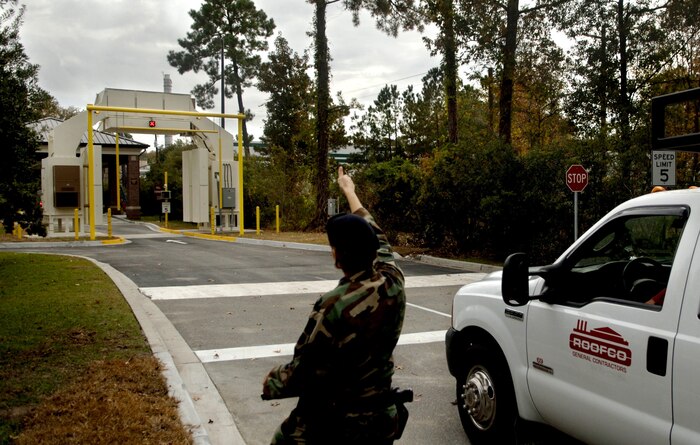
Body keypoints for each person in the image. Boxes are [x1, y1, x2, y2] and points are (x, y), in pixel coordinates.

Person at [261, 166, 407, 444]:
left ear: (337, 256)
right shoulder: (393, 284)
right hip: (382, 420)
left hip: (338, 423)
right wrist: (350, 192)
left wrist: (272, 382)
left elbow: (306, 370)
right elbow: (380, 239)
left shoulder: (332, 305)